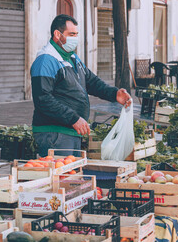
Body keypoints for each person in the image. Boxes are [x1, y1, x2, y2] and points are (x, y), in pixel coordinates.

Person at [30, 14, 132, 157]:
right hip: (55, 133)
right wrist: (73, 118)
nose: (75, 38)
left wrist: (114, 94)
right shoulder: (46, 60)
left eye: (76, 34)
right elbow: (43, 99)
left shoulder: (71, 57)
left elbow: (91, 82)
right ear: (57, 34)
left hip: (71, 131)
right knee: (62, 176)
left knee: (71, 176)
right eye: (71, 34)